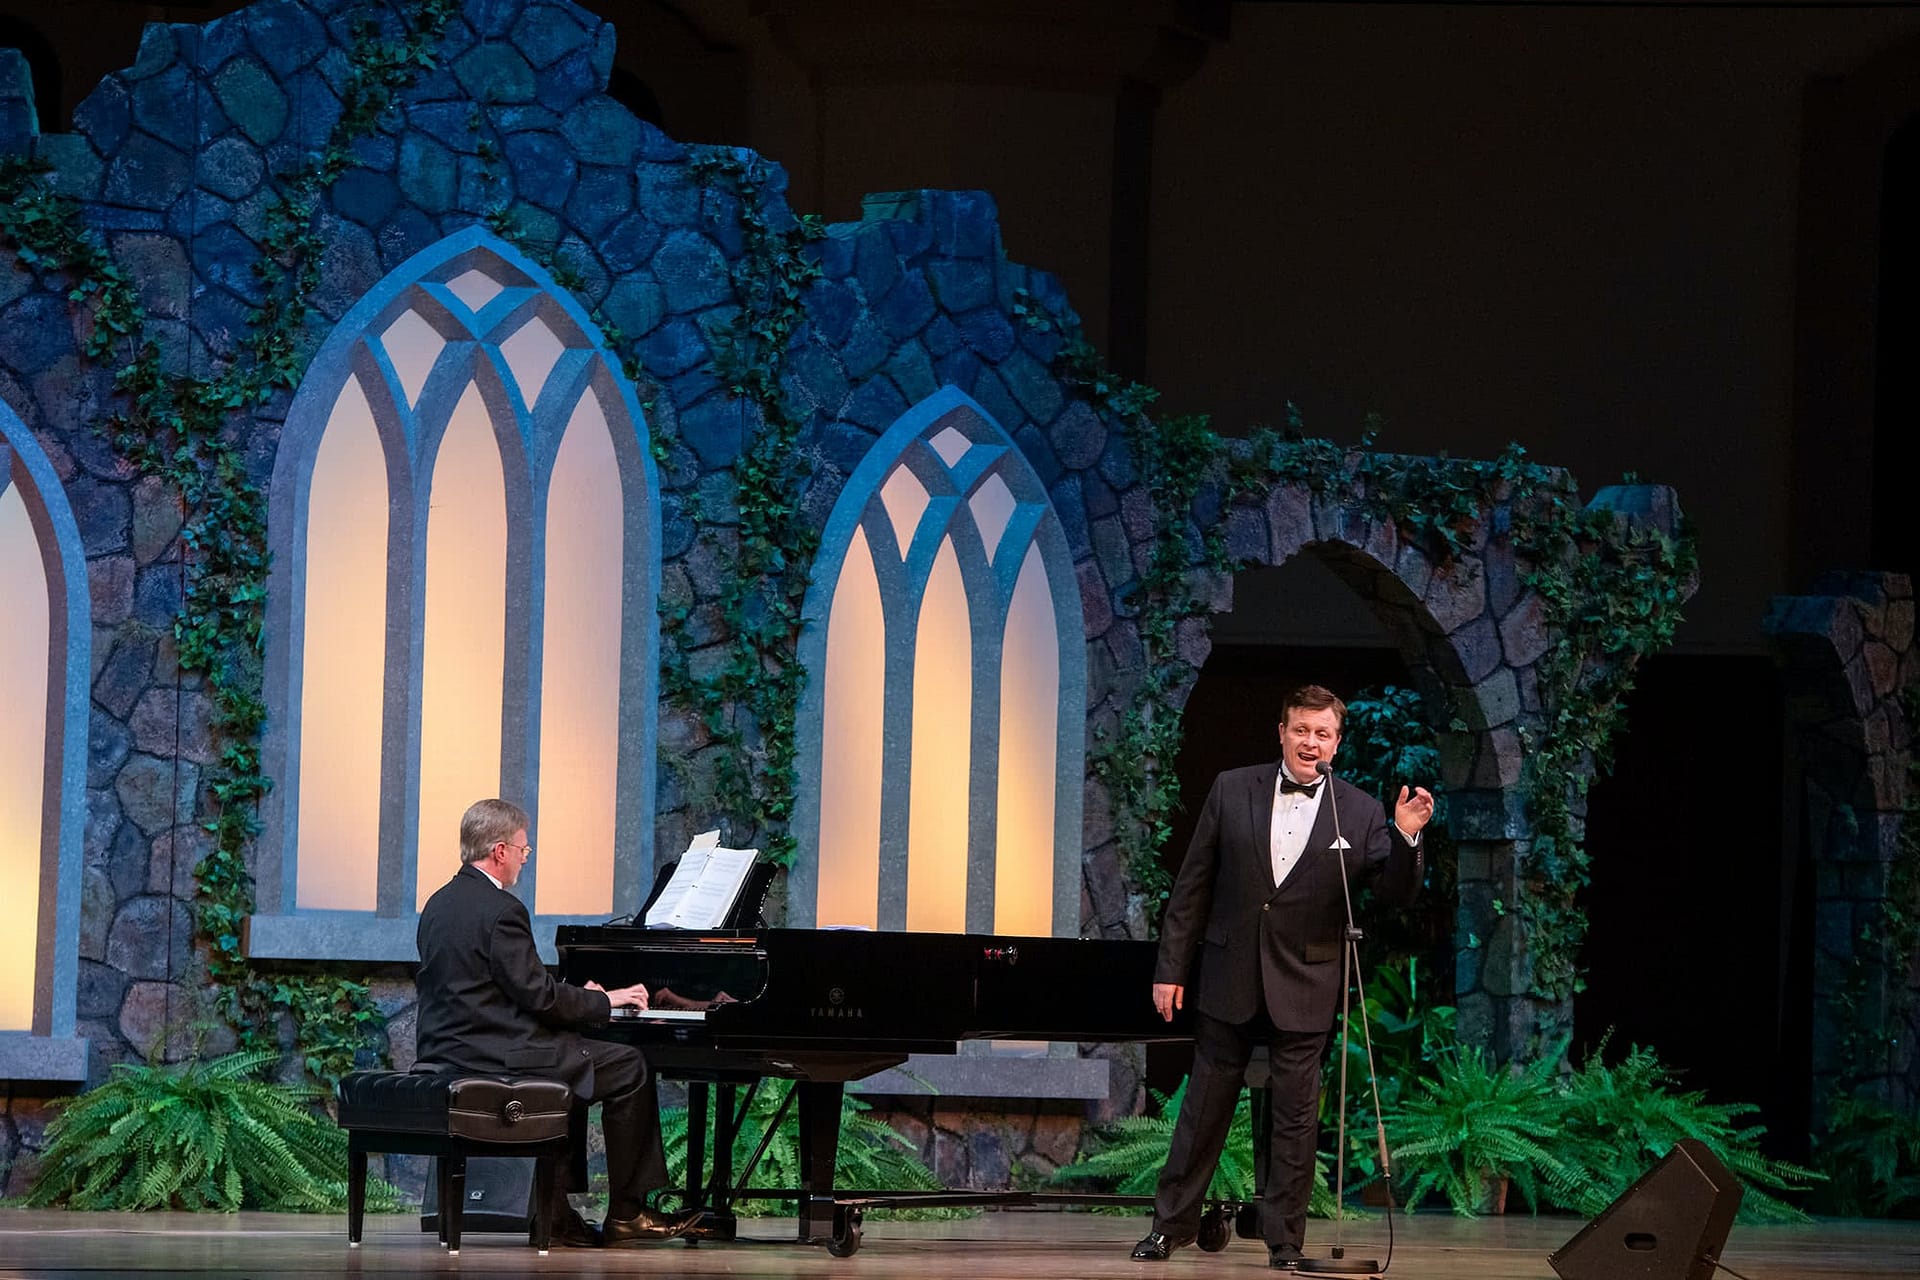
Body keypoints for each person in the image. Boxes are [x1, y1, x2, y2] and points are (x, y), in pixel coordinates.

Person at [1131, 685, 1433, 1271]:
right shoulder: (1232, 787)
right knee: (1202, 1113)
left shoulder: (1361, 810)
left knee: (1296, 1122)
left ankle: (1285, 1243)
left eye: (1322, 734)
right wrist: (1171, 968)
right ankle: (1170, 1229)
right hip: (1229, 974)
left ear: (1336, 744)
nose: (1309, 742)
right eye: (1301, 730)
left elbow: (1395, 892)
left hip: (1307, 982)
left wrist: (1404, 835)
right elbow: (1192, 885)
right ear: (1282, 732)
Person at [415, 798, 699, 1248]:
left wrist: (581, 997)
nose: (526, 859)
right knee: (628, 1066)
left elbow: (497, 986)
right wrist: (603, 1000)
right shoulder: (502, 909)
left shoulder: (439, 903)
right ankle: (628, 1212)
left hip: (451, 1050)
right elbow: (538, 996)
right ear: (501, 850)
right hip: (498, 1056)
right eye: (524, 850)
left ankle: (555, 1213)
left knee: (578, 1058)